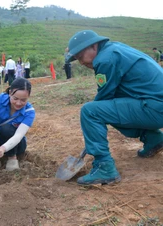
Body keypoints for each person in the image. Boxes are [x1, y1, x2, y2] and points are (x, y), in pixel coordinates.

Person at [66, 30, 163, 186]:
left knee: (90, 111)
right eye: (77, 59)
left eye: (80, 56)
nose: (81, 62)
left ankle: (105, 168)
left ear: (93, 46)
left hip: (155, 106)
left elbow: (104, 97)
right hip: (155, 104)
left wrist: (92, 127)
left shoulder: (105, 59)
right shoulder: (114, 48)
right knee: (108, 107)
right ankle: (153, 139)